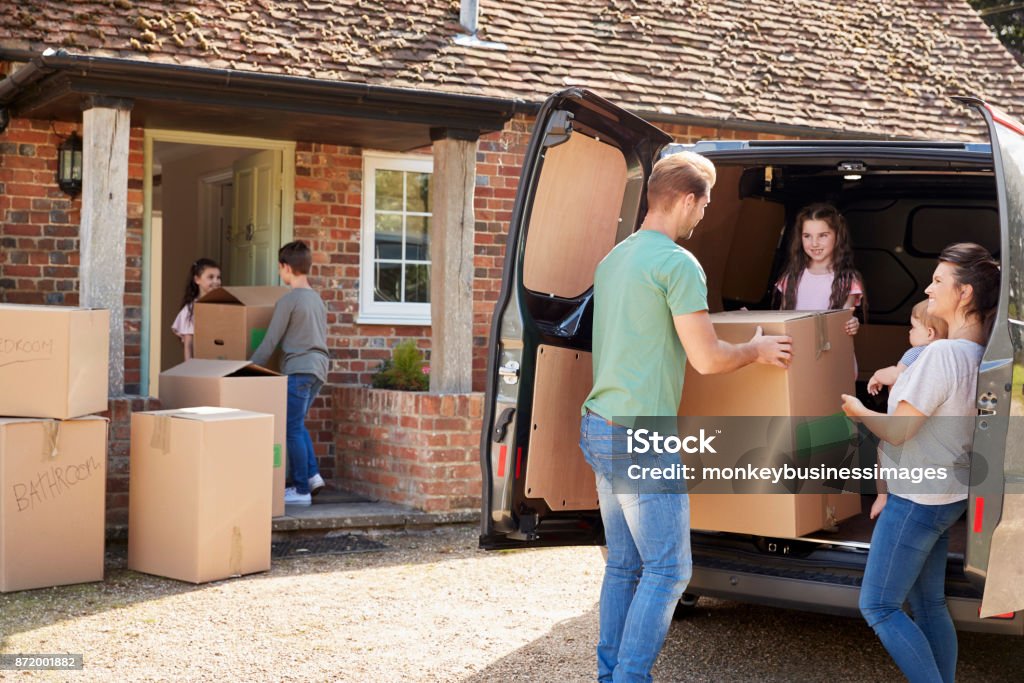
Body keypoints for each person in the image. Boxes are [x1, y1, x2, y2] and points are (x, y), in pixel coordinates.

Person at [579, 151, 792, 682]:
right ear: (688, 199)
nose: (705, 213)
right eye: (706, 202)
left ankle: (612, 676)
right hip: (641, 437)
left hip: (600, 424)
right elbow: (709, 358)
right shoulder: (677, 263)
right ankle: (627, 679)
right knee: (670, 570)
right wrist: (757, 348)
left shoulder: (616, 258)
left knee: (626, 567)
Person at [840, 243, 999, 683]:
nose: (928, 287)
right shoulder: (977, 353)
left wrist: (859, 411)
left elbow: (899, 430)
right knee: (928, 603)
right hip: (947, 496)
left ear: (964, 294)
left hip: (915, 499)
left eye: (938, 281)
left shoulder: (942, 354)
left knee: (878, 605)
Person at [251, 241, 330, 506]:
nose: (279, 273)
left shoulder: (289, 300)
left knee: (291, 427)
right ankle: (312, 476)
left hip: (299, 369)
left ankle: (300, 490)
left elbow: (270, 340)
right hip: (318, 369)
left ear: (286, 268)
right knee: (297, 425)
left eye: (279, 268)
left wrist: (246, 369)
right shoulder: (317, 299)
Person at [775, 202, 864, 336]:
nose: (814, 243)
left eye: (822, 235)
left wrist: (852, 323)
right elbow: (781, 320)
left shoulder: (847, 280)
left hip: (831, 352)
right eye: (807, 236)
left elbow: (844, 321)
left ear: (837, 236)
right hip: (798, 351)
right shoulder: (791, 276)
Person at [867, 299, 948, 396]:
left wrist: (877, 376)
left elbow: (896, 375)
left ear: (929, 333)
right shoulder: (946, 354)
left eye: (913, 327)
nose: (910, 331)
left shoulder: (917, 352)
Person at [171, 258, 221, 361]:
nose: (216, 281)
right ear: (197, 280)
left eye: (218, 277)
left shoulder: (223, 305)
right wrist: (189, 369)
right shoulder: (191, 309)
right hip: (201, 364)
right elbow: (188, 344)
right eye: (210, 277)